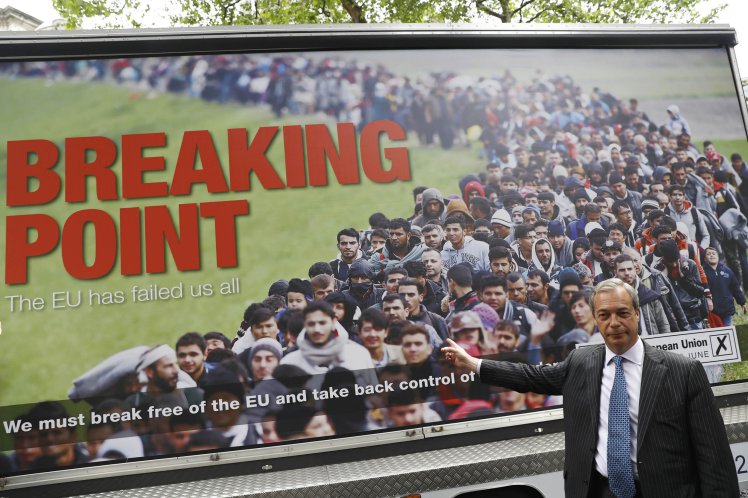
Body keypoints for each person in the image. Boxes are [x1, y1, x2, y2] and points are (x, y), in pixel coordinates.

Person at [441, 278, 738, 498]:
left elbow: (715, 458)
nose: (614, 323)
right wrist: (474, 364)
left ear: (636, 313)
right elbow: (531, 376)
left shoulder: (682, 372)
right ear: (596, 319)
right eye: (605, 315)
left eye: (622, 313)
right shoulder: (582, 361)